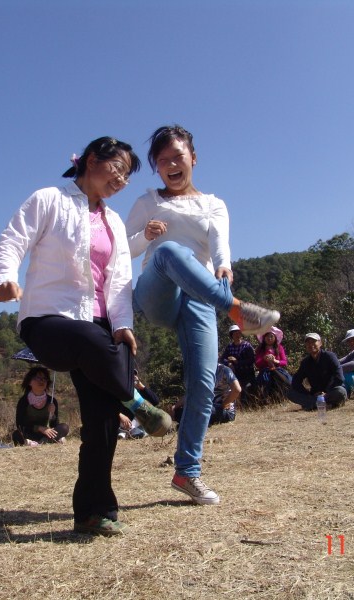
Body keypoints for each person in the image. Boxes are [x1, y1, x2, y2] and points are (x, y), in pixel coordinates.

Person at [0, 136, 171, 537]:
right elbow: (13, 238)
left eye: (127, 176)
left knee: (103, 421)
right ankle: (136, 399)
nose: (121, 180)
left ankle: (93, 512)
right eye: (117, 169)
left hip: (101, 326)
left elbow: (119, 279)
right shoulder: (49, 199)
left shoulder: (113, 222)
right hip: (48, 320)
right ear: (91, 160)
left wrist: (123, 325)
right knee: (91, 341)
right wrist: (5, 278)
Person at [125, 124, 280, 506]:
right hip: (158, 291)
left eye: (177, 157)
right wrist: (145, 236)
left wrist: (224, 266)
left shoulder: (213, 203)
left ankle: (187, 472)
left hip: (200, 295)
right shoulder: (147, 202)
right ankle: (236, 310)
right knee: (169, 252)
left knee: (204, 382)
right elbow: (119, 250)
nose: (171, 165)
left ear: (193, 158)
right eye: (162, 161)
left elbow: (219, 243)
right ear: (156, 168)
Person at [287, 332, 347, 410]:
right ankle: (320, 403)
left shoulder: (330, 356)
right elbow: (296, 381)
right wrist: (308, 394)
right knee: (290, 393)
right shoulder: (305, 362)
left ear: (320, 343)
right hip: (315, 395)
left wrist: (326, 392)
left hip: (330, 392)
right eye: (308, 342)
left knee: (341, 391)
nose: (311, 344)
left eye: (313, 342)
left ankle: (312, 404)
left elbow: (339, 377)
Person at [12, 366, 69, 446]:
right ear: (29, 382)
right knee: (16, 434)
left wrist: (52, 414)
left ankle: (38, 443)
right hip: (30, 433)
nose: (42, 381)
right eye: (38, 378)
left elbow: (54, 425)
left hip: (46, 434)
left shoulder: (52, 401)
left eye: (44, 378)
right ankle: (51, 441)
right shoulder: (24, 401)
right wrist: (39, 428)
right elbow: (20, 425)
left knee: (64, 427)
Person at [172, 363, 241, 426]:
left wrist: (225, 403)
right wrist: (175, 407)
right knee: (178, 412)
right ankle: (192, 423)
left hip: (225, 411)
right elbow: (192, 393)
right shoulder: (202, 372)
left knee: (200, 410)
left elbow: (237, 389)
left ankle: (191, 424)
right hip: (207, 408)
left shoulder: (224, 370)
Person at [118, 370, 161, 439]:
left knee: (147, 411)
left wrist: (141, 386)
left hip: (136, 421)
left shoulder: (139, 391)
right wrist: (121, 415)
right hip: (122, 421)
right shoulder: (118, 389)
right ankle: (127, 431)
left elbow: (155, 401)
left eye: (134, 375)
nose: (133, 377)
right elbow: (109, 406)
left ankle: (129, 431)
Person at [254, 326, 292, 399]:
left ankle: (285, 397)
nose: (269, 338)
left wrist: (275, 361)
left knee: (288, 381)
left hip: (277, 370)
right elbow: (257, 363)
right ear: (264, 338)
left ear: (275, 338)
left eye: (271, 336)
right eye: (267, 336)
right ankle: (266, 399)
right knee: (265, 381)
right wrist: (264, 359)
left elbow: (284, 362)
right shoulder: (261, 348)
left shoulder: (279, 347)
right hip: (265, 371)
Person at [220, 324, 256, 397]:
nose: (237, 335)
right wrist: (229, 363)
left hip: (247, 373)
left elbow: (251, 360)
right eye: (235, 333)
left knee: (246, 391)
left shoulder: (247, 346)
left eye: (239, 333)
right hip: (234, 373)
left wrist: (237, 362)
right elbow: (222, 359)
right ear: (231, 335)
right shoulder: (229, 347)